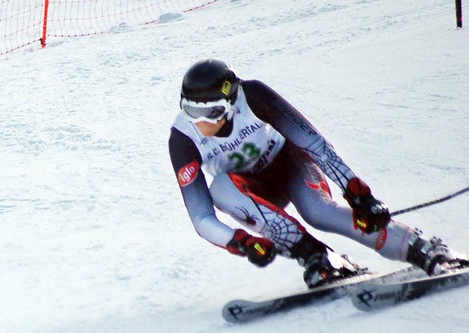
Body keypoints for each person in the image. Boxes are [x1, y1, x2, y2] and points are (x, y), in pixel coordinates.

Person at [168, 58, 467, 288]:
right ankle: (317, 256)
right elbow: (201, 217)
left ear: (231, 104)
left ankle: (420, 247)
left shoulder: (253, 95)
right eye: (191, 111)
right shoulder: (182, 139)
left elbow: (314, 144)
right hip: (250, 190)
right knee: (219, 188)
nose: (201, 123)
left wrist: (358, 194)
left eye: (212, 113)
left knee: (319, 212)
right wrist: (242, 242)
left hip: (289, 166)